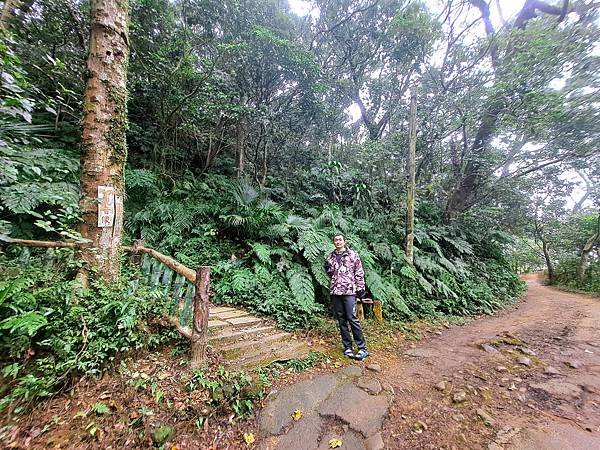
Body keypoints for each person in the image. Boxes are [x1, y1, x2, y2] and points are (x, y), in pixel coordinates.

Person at [324, 233, 369, 360]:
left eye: (340, 240)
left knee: (352, 318)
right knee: (341, 320)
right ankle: (347, 347)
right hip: (336, 292)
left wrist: (361, 290)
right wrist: (327, 267)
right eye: (336, 240)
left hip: (349, 291)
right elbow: (330, 273)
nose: (338, 242)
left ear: (344, 241)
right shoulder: (330, 257)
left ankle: (362, 348)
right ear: (333, 242)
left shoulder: (353, 255)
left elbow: (359, 273)